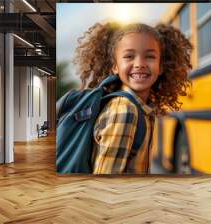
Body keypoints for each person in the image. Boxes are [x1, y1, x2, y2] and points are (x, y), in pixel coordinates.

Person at [73, 22, 192, 174]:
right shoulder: (125, 111)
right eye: (129, 56)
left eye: (150, 56)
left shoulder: (141, 108)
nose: (139, 64)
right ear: (115, 66)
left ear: (161, 66)